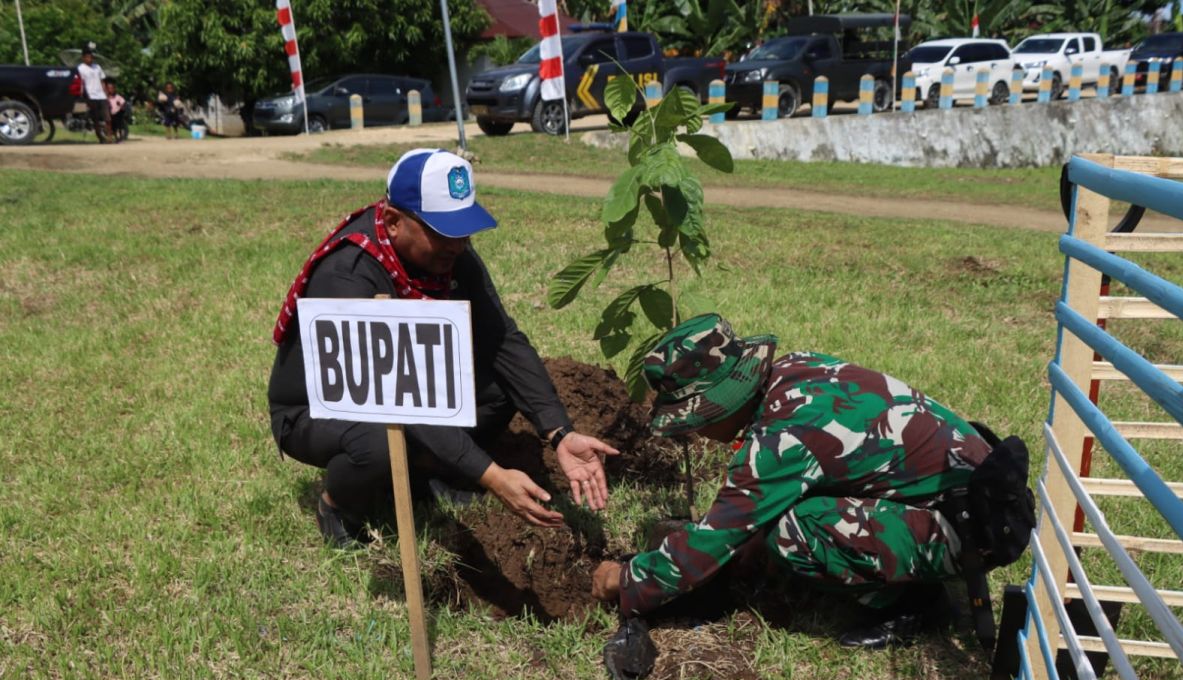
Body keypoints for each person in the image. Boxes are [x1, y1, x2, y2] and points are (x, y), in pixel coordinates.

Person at [591, 314, 1032, 649]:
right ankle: (913, 565)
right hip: (967, 496)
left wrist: (623, 580)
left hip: (974, 529)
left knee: (791, 532)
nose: (695, 431)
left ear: (719, 406)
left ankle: (911, 603)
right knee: (780, 518)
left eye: (694, 419)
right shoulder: (796, 371)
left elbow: (711, 543)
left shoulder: (780, 442)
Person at [268, 148, 619, 548]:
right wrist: (491, 475)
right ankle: (337, 504)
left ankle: (422, 473)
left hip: (402, 390)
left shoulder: (450, 257)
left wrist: (560, 433)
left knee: (499, 388)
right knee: (379, 442)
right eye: (442, 232)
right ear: (394, 221)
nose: (458, 244)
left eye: (463, 231)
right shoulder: (348, 274)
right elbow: (394, 398)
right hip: (317, 410)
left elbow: (502, 340)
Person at [76, 45, 112, 144]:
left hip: (101, 95)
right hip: (91, 96)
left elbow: (102, 81)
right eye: (87, 57)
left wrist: (106, 94)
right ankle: (100, 136)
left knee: (107, 117)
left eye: (91, 57)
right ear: (83, 58)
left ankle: (109, 136)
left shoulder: (97, 67)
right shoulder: (80, 68)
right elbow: (81, 83)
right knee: (95, 118)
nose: (90, 59)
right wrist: (82, 96)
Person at [103, 78, 128, 142]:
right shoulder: (105, 98)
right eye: (109, 88)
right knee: (110, 124)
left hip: (117, 114)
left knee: (118, 124)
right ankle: (111, 137)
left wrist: (121, 107)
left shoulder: (118, 97)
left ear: (114, 89)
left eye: (112, 88)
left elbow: (123, 103)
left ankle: (119, 137)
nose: (110, 90)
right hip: (110, 115)